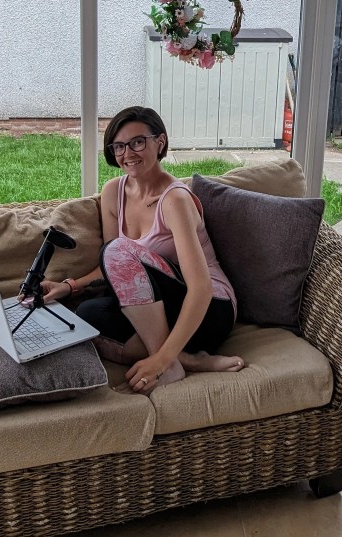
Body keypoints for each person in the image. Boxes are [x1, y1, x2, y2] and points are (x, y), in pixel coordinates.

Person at [34, 106, 243, 394]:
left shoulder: (175, 200)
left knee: (117, 249)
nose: (128, 153)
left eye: (138, 142)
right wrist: (69, 287)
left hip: (209, 311)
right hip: (160, 309)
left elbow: (201, 289)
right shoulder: (113, 192)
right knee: (85, 313)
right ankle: (187, 359)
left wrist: (159, 361)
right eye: (119, 146)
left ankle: (167, 363)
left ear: (160, 142)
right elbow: (113, 267)